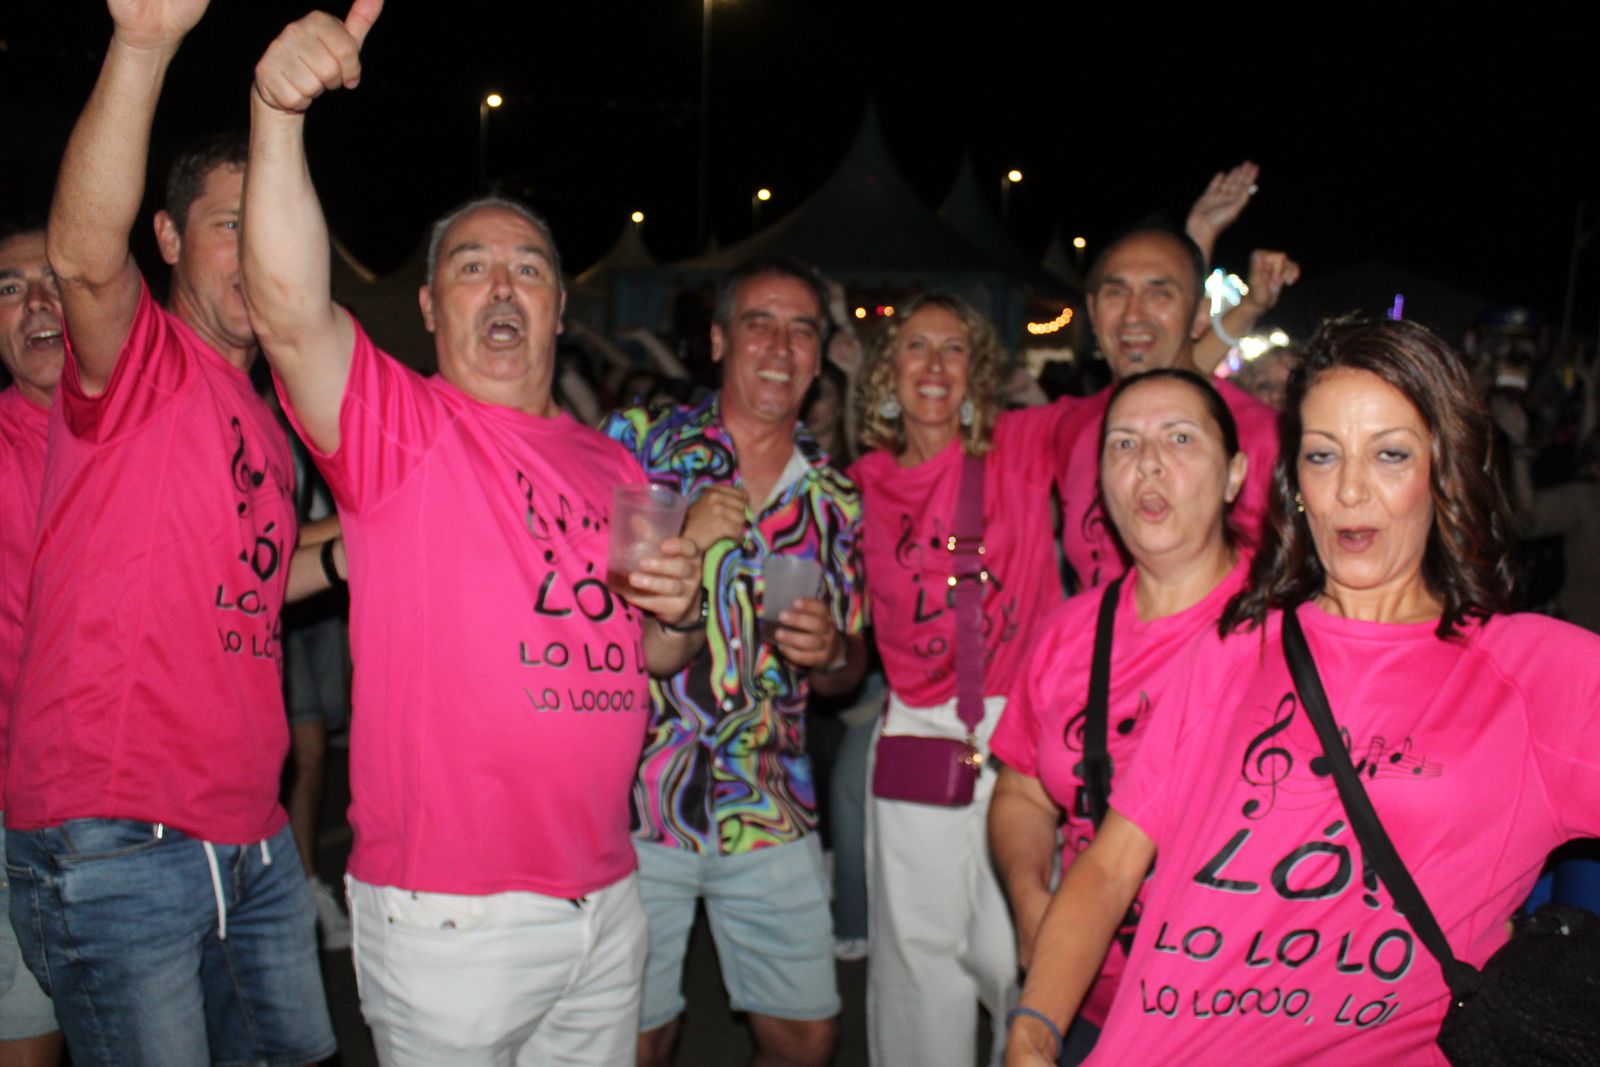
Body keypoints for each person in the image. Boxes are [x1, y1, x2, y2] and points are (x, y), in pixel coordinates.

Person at [243, 6, 704, 1063]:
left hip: (607, 892)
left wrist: (677, 611)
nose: (504, 286)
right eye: (473, 267)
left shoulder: (614, 460)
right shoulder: (398, 428)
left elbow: (652, 655)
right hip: (456, 915)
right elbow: (287, 306)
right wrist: (276, 116)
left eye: (530, 269)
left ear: (557, 311)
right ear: (430, 307)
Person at [1006, 318, 1600, 1065]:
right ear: (1295, 480)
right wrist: (1032, 1032)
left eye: (1390, 454)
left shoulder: (1535, 674)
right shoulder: (1233, 647)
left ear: (1444, 469)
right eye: (1324, 455)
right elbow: (1110, 865)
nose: (1350, 489)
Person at [4, 2, 348, 1060]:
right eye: (227, 224)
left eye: (272, 221)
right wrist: (143, 45)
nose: (258, 250)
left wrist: (351, 548)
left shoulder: (268, 416)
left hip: (249, 833)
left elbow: (243, 576)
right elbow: (82, 257)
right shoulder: (142, 358)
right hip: (120, 833)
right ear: (170, 238)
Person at [602, 257, 867, 1067]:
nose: (780, 347)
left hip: (770, 800)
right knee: (639, 1036)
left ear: (820, 354)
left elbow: (849, 668)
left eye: (801, 330)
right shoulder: (641, 448)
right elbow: (596, 608)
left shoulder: (835, 498)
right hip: (641, 796)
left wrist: (832, 654)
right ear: (719, 340)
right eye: (759, 323)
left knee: (805, 1034)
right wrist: (686, 540)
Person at [988, 369, 1250, 1063]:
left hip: (1239, 1014)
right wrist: (1029, 900)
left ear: (1235, 474)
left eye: (1181, 438)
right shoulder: (1069, 632)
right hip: (1088, 1003)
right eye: (1124, 444)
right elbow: (1020, 788)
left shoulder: (1293, 629)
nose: (1150, 463)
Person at [850, 293, 1080, 1066]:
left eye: (955, 349)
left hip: (1016, 727)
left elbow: (1133, 407)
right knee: (918, 964)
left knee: (1008, 944)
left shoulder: (1017, 446)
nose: (936, 365)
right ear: (889, 370)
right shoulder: (864, 484)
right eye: (917, 347)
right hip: (916, 729)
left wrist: (1220, 322)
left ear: (978, 373)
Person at [1058, 225, 1290, 590]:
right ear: (1093, 310)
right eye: (1116, 293)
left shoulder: (1261, 438)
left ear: (1200, 315)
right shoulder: (1072, 426)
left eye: (1159, 293)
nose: (1133, 315)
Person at [0, 221, 65, 1067]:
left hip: (151, 826)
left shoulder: (152, 436)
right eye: (10, 288)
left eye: (55, 278)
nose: (38, 302)